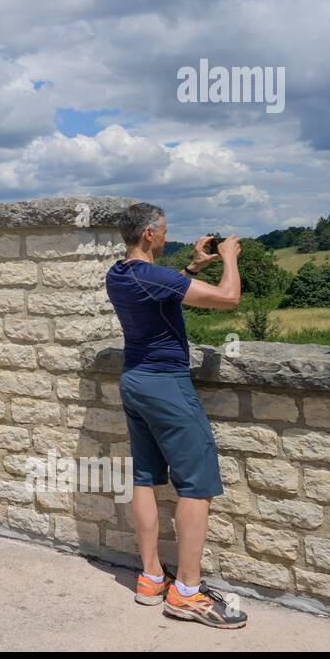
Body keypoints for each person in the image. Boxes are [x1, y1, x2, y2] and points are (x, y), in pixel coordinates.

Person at [104, 202, 248, 630]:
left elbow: (162, 294)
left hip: (135, 382)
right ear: (149, 234)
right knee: (197, 482)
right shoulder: (154, 276)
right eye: (164, 231)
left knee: (145, 477)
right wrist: (229, 259)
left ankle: (150, 579)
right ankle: (186, 592)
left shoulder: (120, 274)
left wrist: (193, 266)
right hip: (166, 386)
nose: (168, 236)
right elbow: (230, 298)